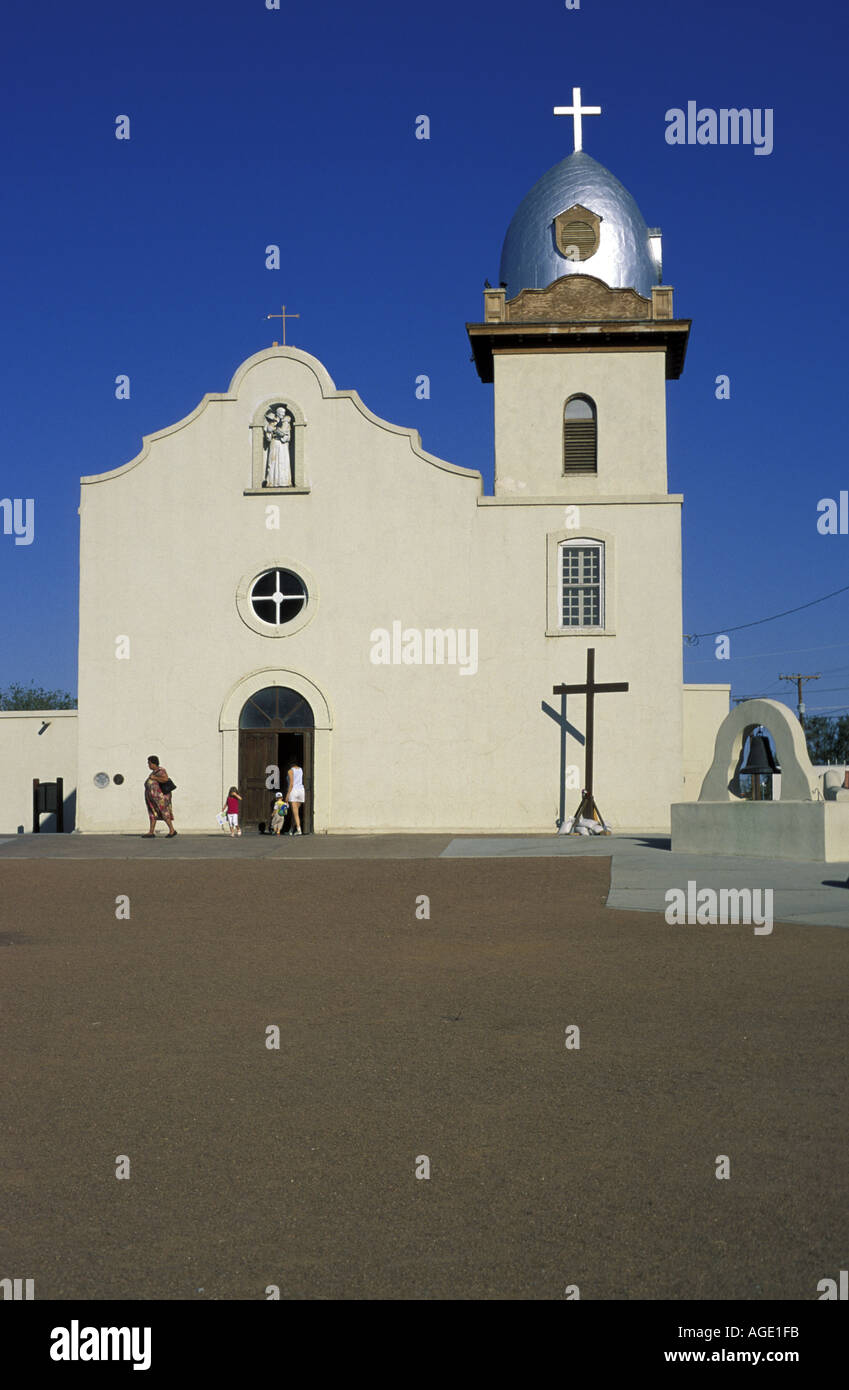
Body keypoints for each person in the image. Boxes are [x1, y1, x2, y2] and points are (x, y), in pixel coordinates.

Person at [143, 756, 176, 837]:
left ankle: (172, 830)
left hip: (160, 798)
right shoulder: (153, 772)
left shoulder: (161, 771)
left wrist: (154, 778)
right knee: (152, 813)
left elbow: (165, 779)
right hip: (152, 798)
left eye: (149, 763)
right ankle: (151, 832)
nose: (148, 765)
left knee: (164, 813)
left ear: (154, 763)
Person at [263, 406, 292, 487]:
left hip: (283, 445)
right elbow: (268, 435)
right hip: (274, 443)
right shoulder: (272, 422)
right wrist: (271, 430)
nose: (283, 414)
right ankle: (272, 481)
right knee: (272, 462)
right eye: (281, 413)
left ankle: (284, 481)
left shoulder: (286, 423)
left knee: (283, 462)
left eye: (284, 413)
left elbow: (288, 436)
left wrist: (283, 436)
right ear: (277, 413)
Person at [285, 761, 305, 835]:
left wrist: (287, 795)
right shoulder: (301, 770)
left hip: (294, 791)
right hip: (301, 791)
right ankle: (291, 829)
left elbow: (291, 783)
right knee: (295, 812)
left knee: (295, 813)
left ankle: (299, 829)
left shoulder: (290, 771)